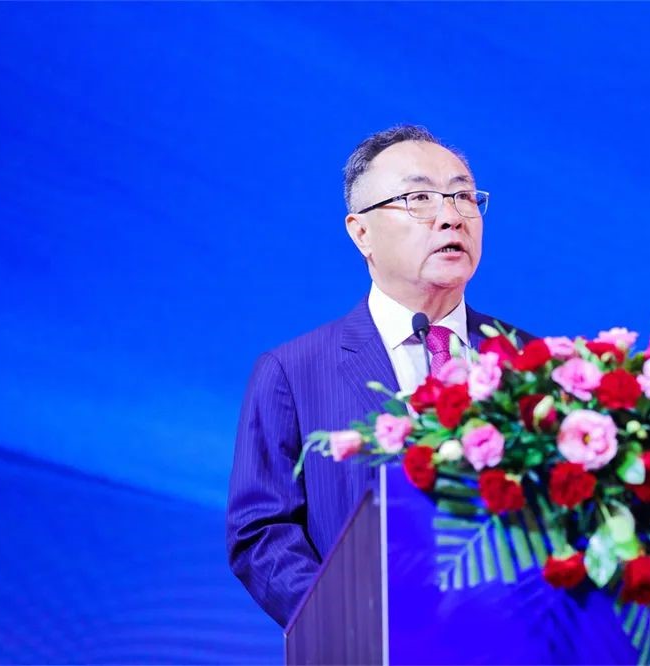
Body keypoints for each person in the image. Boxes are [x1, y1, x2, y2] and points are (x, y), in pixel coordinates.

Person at [225, 124, 530, 627]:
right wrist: (348, 625)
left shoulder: (531, 361)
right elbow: (261, 533)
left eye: (463, 196)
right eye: (419, 198)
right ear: (361, 232)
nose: (451, 216)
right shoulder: (294, 373)